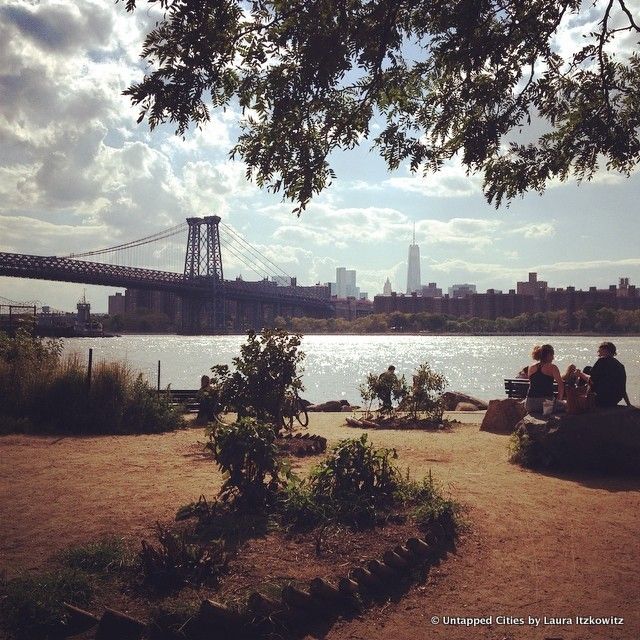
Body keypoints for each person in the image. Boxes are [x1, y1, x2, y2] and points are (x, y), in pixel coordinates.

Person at [576, 341, 632, 407]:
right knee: (589, 369)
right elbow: (623, 388)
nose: (598, 354)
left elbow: (591, 380)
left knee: (586, 369)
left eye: (599, 352)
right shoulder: (620, 366)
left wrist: (580, 374)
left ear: (605, 351)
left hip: (601, 400)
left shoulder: (602, 361)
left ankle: (579, 397)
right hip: (614, 401)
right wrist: (628, 404)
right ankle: (583, 396)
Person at [525, 344, 565, 414]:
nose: (553, 358)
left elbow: (533, 384)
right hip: (546, 405)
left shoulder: (531, 367)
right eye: (552, 355)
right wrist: (559, 400)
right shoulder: (553, 367)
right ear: (548, 355)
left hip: (530, 404)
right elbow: (561, 386)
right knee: (567, 405)